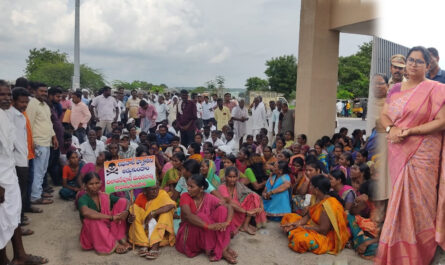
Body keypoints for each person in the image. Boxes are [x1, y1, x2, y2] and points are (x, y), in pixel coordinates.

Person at [377, 46, 445, 265]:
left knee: (421, 202)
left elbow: (442, 121)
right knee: (398, 199)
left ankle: (421, 249)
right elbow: (385, 116)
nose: (413, 64)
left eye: (419, 61)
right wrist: (391, 130)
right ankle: (396, 251)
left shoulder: (436, 89)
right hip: (398, 149)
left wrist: (411, 131)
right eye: (410, 60)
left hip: (424, 152)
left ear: (428, 65)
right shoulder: (395, 88)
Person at [0, 81, 49, 265]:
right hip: (2, 179)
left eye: (7, 94)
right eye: (1, 95)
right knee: (2, 220)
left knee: (12, 216)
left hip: (10, 171)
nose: (6, 98)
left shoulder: (6, 115)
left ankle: (20, 256)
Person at [175, 174, 237, 264]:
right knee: (202, 216)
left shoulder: (208, 197)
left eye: (191, 186)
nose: (188, 189)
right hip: (190, 231)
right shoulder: (185, 196)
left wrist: (227, 222)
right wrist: (209, 226)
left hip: (206, 229)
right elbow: (188, 216)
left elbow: (229, 207)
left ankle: (221, 248)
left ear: (201, 188)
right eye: (187, 186)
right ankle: (217, 248)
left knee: (222, 210)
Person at [280, 175, 350, 255]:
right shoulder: (315, 197)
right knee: (288, 217)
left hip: (323, 235)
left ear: (316, 189)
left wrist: (302, 227)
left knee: (299, 240)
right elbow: (308, 216)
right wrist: (295, 224)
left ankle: (293, 232)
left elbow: (323, 230)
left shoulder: (328, 205)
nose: (310, 188)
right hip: (311, 225)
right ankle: (293, 231)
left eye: (311, 186)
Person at [78, 172, 130, 255]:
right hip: (93, 230)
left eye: (97, 183)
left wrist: (126, 211)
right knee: (94, 220)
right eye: (91, 184)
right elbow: (85, 212)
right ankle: (113, 244)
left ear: (101, 183)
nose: (95, 186)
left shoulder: (104, 195)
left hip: (107, 224)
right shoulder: (83, 199)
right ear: (85, 185)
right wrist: (111, 217)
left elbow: (126, 202)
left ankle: (118, 236)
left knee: (122, 202)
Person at [26, 83, 57, 205]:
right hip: (38, 142)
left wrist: (54, 136)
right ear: (35, 91)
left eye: (45, 91)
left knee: (43, 170)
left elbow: (48, 123)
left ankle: (38, 192)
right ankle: (35, 197)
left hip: (46, 141)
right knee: (38, 171)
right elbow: (29, 124)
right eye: (41, 91)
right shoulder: (32, 104)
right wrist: (31, 142)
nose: (44, 93)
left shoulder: (45, 105)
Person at [128, 185, 176, 260]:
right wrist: (131, 218)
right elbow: (135, 214)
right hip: (145, 227)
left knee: (167, 213)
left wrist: (153, 213)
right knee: (134, 209)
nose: (155, 191)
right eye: (152, 190)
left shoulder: (162, 193)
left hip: (159, 226)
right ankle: (143, 244)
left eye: (157, 189)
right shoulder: (140, 197)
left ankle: (155, 245)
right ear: (145, 192)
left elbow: (171, 205)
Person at [218, 167, 266, 235]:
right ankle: (241, 225)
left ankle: (245, 225)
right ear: (225, 177)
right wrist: (247, 211)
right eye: (230, 177)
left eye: (234, 177)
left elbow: (253, 193)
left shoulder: (238, 185)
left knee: (252, 196)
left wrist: (261, 206)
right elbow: (230, 203)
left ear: (237, 177)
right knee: (232, 206)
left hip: (239, 207)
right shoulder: (222, 187)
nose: (232, 179)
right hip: (229, 210)